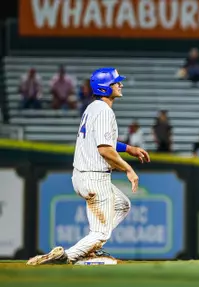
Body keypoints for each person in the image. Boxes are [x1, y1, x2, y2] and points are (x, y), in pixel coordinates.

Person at [26, 68, 150, 265]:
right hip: (95, 177)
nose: (120, 84)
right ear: (104, 87)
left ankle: (91, 248)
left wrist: (128, 148)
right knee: (100, 233)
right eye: (116, 82)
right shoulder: (103, 111)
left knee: (122, 204)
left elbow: (102, 141)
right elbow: (104, 150)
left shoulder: (93, 108)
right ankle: (66, 256)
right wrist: (128, 169)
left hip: (81, 175)